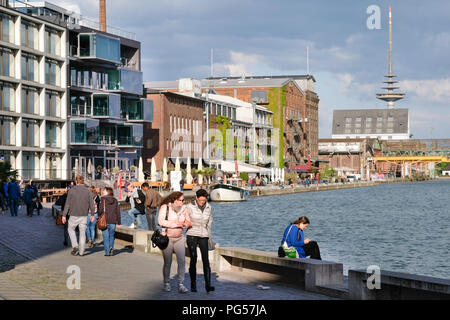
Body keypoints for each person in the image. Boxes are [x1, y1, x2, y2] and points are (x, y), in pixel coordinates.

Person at [158, 192, 192, 293]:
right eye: (181, 200)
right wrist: (176, 224)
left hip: (180, 238)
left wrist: (187, 224)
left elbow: (188, 220)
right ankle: (166, 283)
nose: (183, 202)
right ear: (175, 200)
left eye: (183, 200)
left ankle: (181, 284)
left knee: (182, 261)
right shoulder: (165, 207)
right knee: (168, 262)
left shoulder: (184, 208)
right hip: (167, 238)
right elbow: (161, 221)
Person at [186, 189, 215, 293]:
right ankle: (193, 285)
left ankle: (208, 285)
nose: (202, 202)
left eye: (204, 200)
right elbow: (185, 218)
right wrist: (187, 224)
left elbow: (210, 219)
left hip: (204, 234)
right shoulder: (189, 207)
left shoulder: (208, 207)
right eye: (200, 200)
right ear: (196, 198)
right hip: (192, 234)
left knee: (206, 260)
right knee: (193, 259)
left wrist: (207, 228)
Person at [61, 175, 95, 257]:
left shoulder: (71, 190)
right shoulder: (88, 191)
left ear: (76, 182)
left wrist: (64, 215)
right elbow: (91, 204)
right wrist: (93, 214)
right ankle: (82, 252)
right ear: (83, 181)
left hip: (73, 214)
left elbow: (67, 204)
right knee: (82, 233)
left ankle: (75, 245)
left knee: (70, 229)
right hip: (84, 215)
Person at [98, 187, 121, 256]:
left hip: (105, 220)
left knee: (105, 237)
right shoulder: (115, 200)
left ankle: (107, 252)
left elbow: (100, 210)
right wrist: (119, 222)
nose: (103, 191)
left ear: (108, 192)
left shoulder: (103, 199)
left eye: (104, 190)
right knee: (111, 236)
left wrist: (99, 215)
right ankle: (111, 247)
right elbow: (118, 211)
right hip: (113, 221)